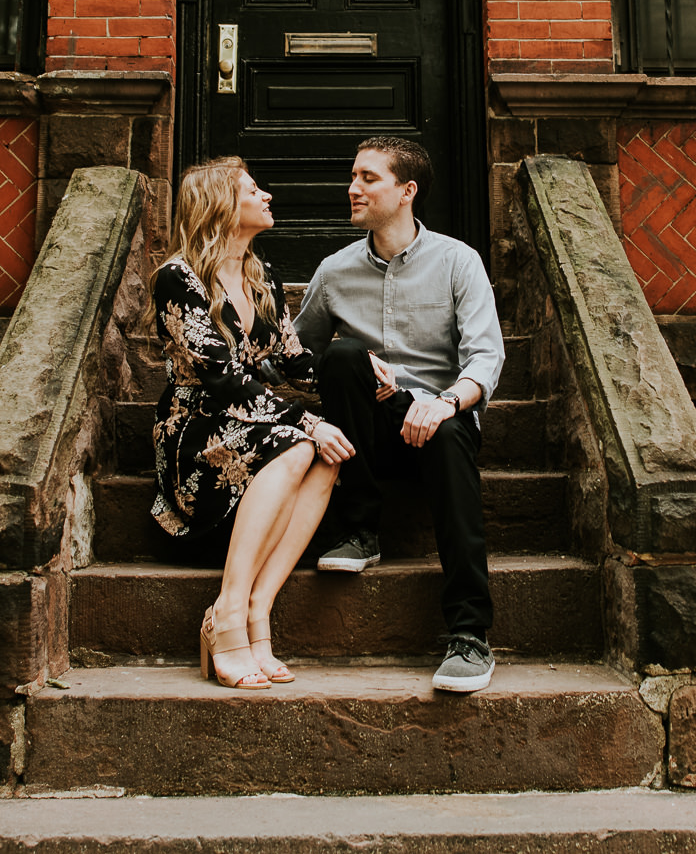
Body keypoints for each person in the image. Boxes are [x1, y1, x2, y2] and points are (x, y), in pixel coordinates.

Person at [295, 136, 505, 693]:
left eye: (368, 178)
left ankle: (469, 634)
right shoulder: (335, 271)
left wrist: (440, 401)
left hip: (438, 425)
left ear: (407, 191)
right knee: (341, 357)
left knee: (453, 431)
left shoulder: (459, 260)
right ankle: (359, 530)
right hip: (371, 432)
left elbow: (486, 356)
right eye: (354, 176)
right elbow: (296, 357)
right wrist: (363, 367)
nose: (353, 187)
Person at [151, 157, 355, 690]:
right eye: (252, 190)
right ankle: (228, 613)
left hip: (252, 423)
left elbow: (295, 363)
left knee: (324, 455)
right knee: (298, 444)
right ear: (220, 206)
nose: (267, 196)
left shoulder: (262, 275)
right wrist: (308, 422)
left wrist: (366, 374)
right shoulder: (179, 279)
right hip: (195, 430)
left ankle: (259, 610)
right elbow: (221, 382)